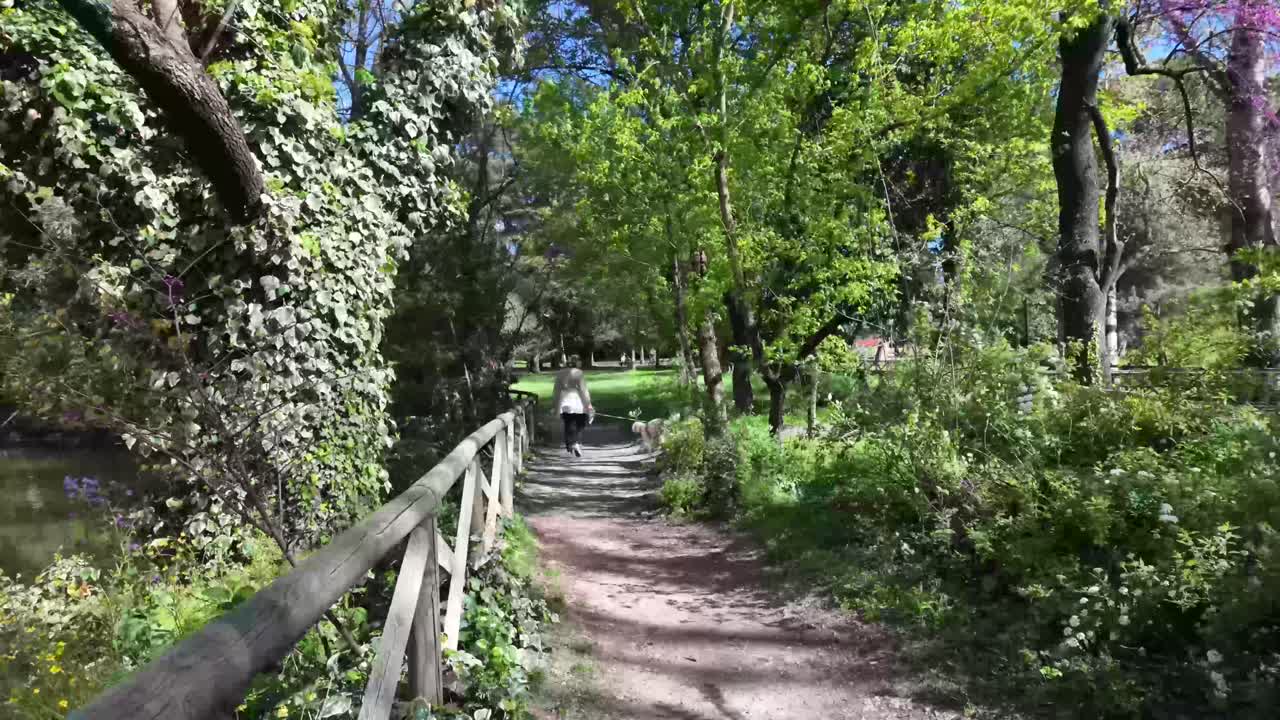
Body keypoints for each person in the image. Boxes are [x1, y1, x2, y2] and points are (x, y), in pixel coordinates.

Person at [553, 355, 593, 456]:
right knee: (580, 422)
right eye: (580, 361)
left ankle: (569, 443)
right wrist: (588, 404)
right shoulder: (579, 373)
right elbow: (583, 390)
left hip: (565, 400)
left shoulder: (560, 373)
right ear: (577, 362)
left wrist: (556, 405)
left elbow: (556, 390)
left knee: (568, 422)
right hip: (578, 400)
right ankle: (575, 442)